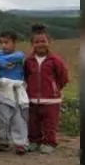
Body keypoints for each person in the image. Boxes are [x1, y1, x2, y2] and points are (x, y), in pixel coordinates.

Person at [24, 24, 70, 155]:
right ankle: (34, 141)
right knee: (33, 122)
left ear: (49, 42)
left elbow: (63, 77)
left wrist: (55, 88)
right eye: (36, 42)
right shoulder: (28, 61)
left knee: (50, 124)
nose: (40, 44)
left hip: (51, 100)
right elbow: (27, 76)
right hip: (32, 98)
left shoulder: (55, 60)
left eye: (43, 41)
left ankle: (50, 142)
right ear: (32, 44)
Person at [0, 31, 29, 155]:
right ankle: (3, 142)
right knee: (2, 117)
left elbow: (17, 58)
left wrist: (0, 61)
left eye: (7, 42)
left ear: (14, 43)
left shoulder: (19, 55)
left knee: (18, 117)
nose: (4, 46)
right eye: (2, 43)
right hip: (2, 88)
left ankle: (20, 143)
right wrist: (3, 63)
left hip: (16, 89)